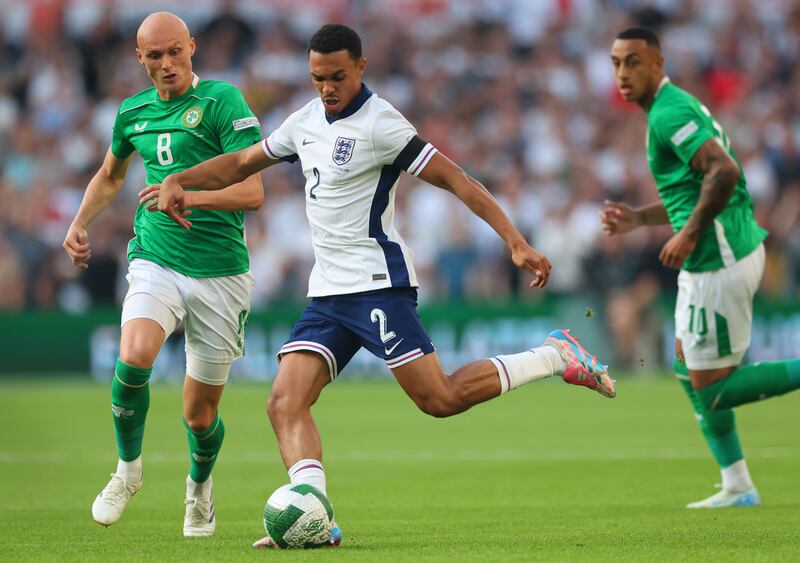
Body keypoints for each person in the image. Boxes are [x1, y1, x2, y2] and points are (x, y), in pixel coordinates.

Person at [154, 24, 615, 548]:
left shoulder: (381, 124)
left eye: (337, 77)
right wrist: (181, 180)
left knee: (438, 399)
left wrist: (514, 241)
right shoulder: (305, 120)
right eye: (317, 78)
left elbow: (457, 179)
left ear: (361, 68)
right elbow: (239, 163)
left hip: (378, 285)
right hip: (326, 293)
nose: (326, 88)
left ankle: (555, 355)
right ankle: (315, 517)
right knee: (284, 402)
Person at [61, 12, 264, 536]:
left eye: (176, 51)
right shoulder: (132, 113)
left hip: (221, 273)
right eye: (156, 56)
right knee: (133, 356)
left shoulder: (223, 101)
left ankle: (199, 488)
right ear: (140, 59)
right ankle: (128, 470)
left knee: (199, 416)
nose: (168, 63)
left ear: (192, 47)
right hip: (157, 257)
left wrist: (186, 192)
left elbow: (253, 192)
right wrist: (79, 222)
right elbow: (110, 176)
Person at [601, 27, 800, 509]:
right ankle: (737, 484)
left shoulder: (670, 113)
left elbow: (725, 171)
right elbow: (692, 190)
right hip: (713, 254)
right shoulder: (668, 113)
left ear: (658, 63)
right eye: (616, 63)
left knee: (712, 392)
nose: (623, 74)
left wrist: (688, 234)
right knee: (686, 369)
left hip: (719, 259)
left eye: (633, 62)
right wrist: (640, 219)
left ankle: (739, 484)